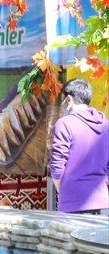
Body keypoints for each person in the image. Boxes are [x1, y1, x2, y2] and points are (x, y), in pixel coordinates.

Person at [49, 78, 109, 214]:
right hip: (103, 202)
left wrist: (63, 192)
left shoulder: (64, 124)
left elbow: (57, 167)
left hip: (74, 203)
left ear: (69, 99)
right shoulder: (106, 124)